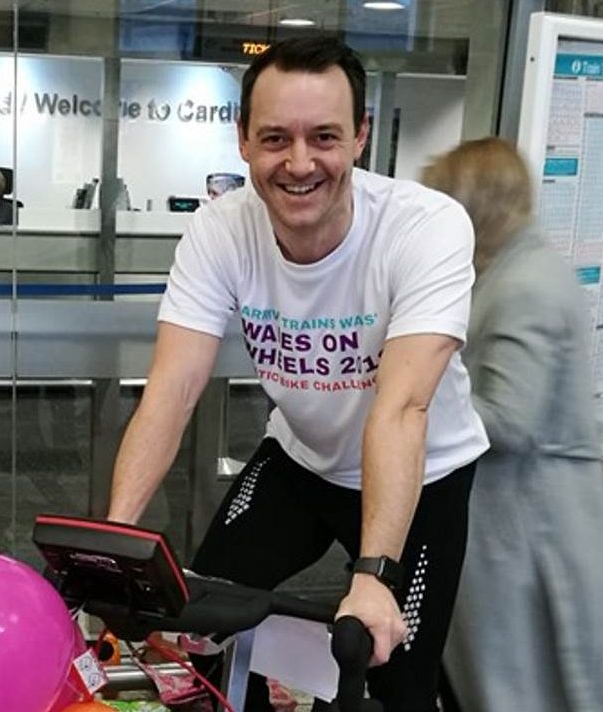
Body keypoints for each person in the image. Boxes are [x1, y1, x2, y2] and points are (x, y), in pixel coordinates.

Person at [104, 36, 488, 711]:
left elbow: (401, 410)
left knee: (389, 671)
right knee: (207, 630)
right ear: (244, 140)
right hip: (302, 459)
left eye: (326, 137)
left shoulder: (425, 228)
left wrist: (372, 577)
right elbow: (173, 389)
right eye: (277, 137)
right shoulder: (220, 231)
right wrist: (114, 544)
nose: (300, 162)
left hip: (422, 476)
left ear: (362, 137)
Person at [424, 138, 603, 712]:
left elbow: (511, 420)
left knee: (527, 679)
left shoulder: (524, 285)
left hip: (528, 522)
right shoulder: (526, 266)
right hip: (531, 512)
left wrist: (417, 408)